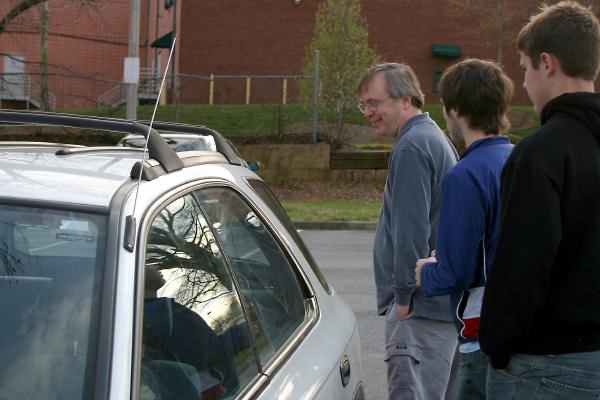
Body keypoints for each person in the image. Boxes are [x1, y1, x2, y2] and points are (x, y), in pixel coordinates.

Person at [478, 2, 600, 399]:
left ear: (546, 63)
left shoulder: (540, 153)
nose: (525, 84)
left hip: (546, 364)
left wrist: (495, 346)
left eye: (525, 69)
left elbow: (521, 267)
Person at [358, 62, 458, 400]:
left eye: (375, 103)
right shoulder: (430, 136)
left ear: (405, 99)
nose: (368, 112)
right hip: (435, 306)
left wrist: (403, 296)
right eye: (364, 105)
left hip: (419, 309)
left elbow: (410, 232)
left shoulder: (413, 146)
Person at [414, 59, 514, 399]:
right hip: (516, 326)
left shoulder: (465, 175)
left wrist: (425, 272)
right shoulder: (518, 159)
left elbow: (454, 273)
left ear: (455, 109)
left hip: (480, 331)